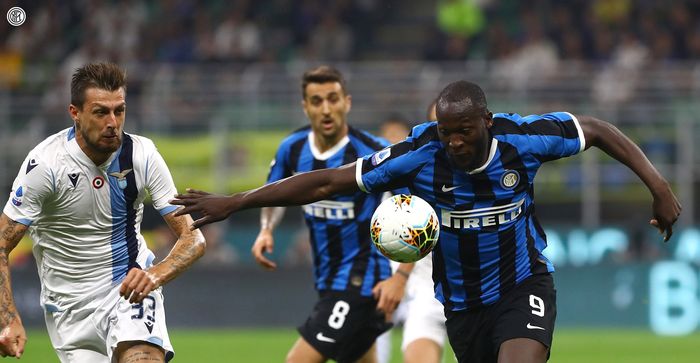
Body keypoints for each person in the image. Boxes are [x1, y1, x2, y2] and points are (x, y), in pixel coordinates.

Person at [172, 80, 681, 363]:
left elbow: (594, 129)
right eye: (445, 132)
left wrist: (658, 187)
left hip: (523, 283)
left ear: (486, 121)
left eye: (463, 131)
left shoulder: (524, 139)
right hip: (459, 304)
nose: (453, 142)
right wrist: (236, 202)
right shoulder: (417, 154)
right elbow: (327, 181)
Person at [0, 62, 206, 362]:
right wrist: (7, 317)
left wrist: (154, 274)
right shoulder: (46, 165)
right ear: (75, 113)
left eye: (119, 111)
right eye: (100, 112)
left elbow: (193, 237)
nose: (113, 122)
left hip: (128, 292)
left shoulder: (141, 154)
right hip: (69, 312)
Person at [249, 65, 407, 363]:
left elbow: (416, 214)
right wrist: (266, 228)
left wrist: (400, 277)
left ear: (346, 102)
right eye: (317, 100)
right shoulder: (292, 149)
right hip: (326, 279)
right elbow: (274, 195)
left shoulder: (372, 152)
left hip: (364, 281)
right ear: (305, 107)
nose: (326, 109)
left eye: (333, 99)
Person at [375, 110, 448, 363]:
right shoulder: (384, 181)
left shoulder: (424, 176)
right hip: (426, 292)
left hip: (478, 291)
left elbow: (418, 230)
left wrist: (400, 277)